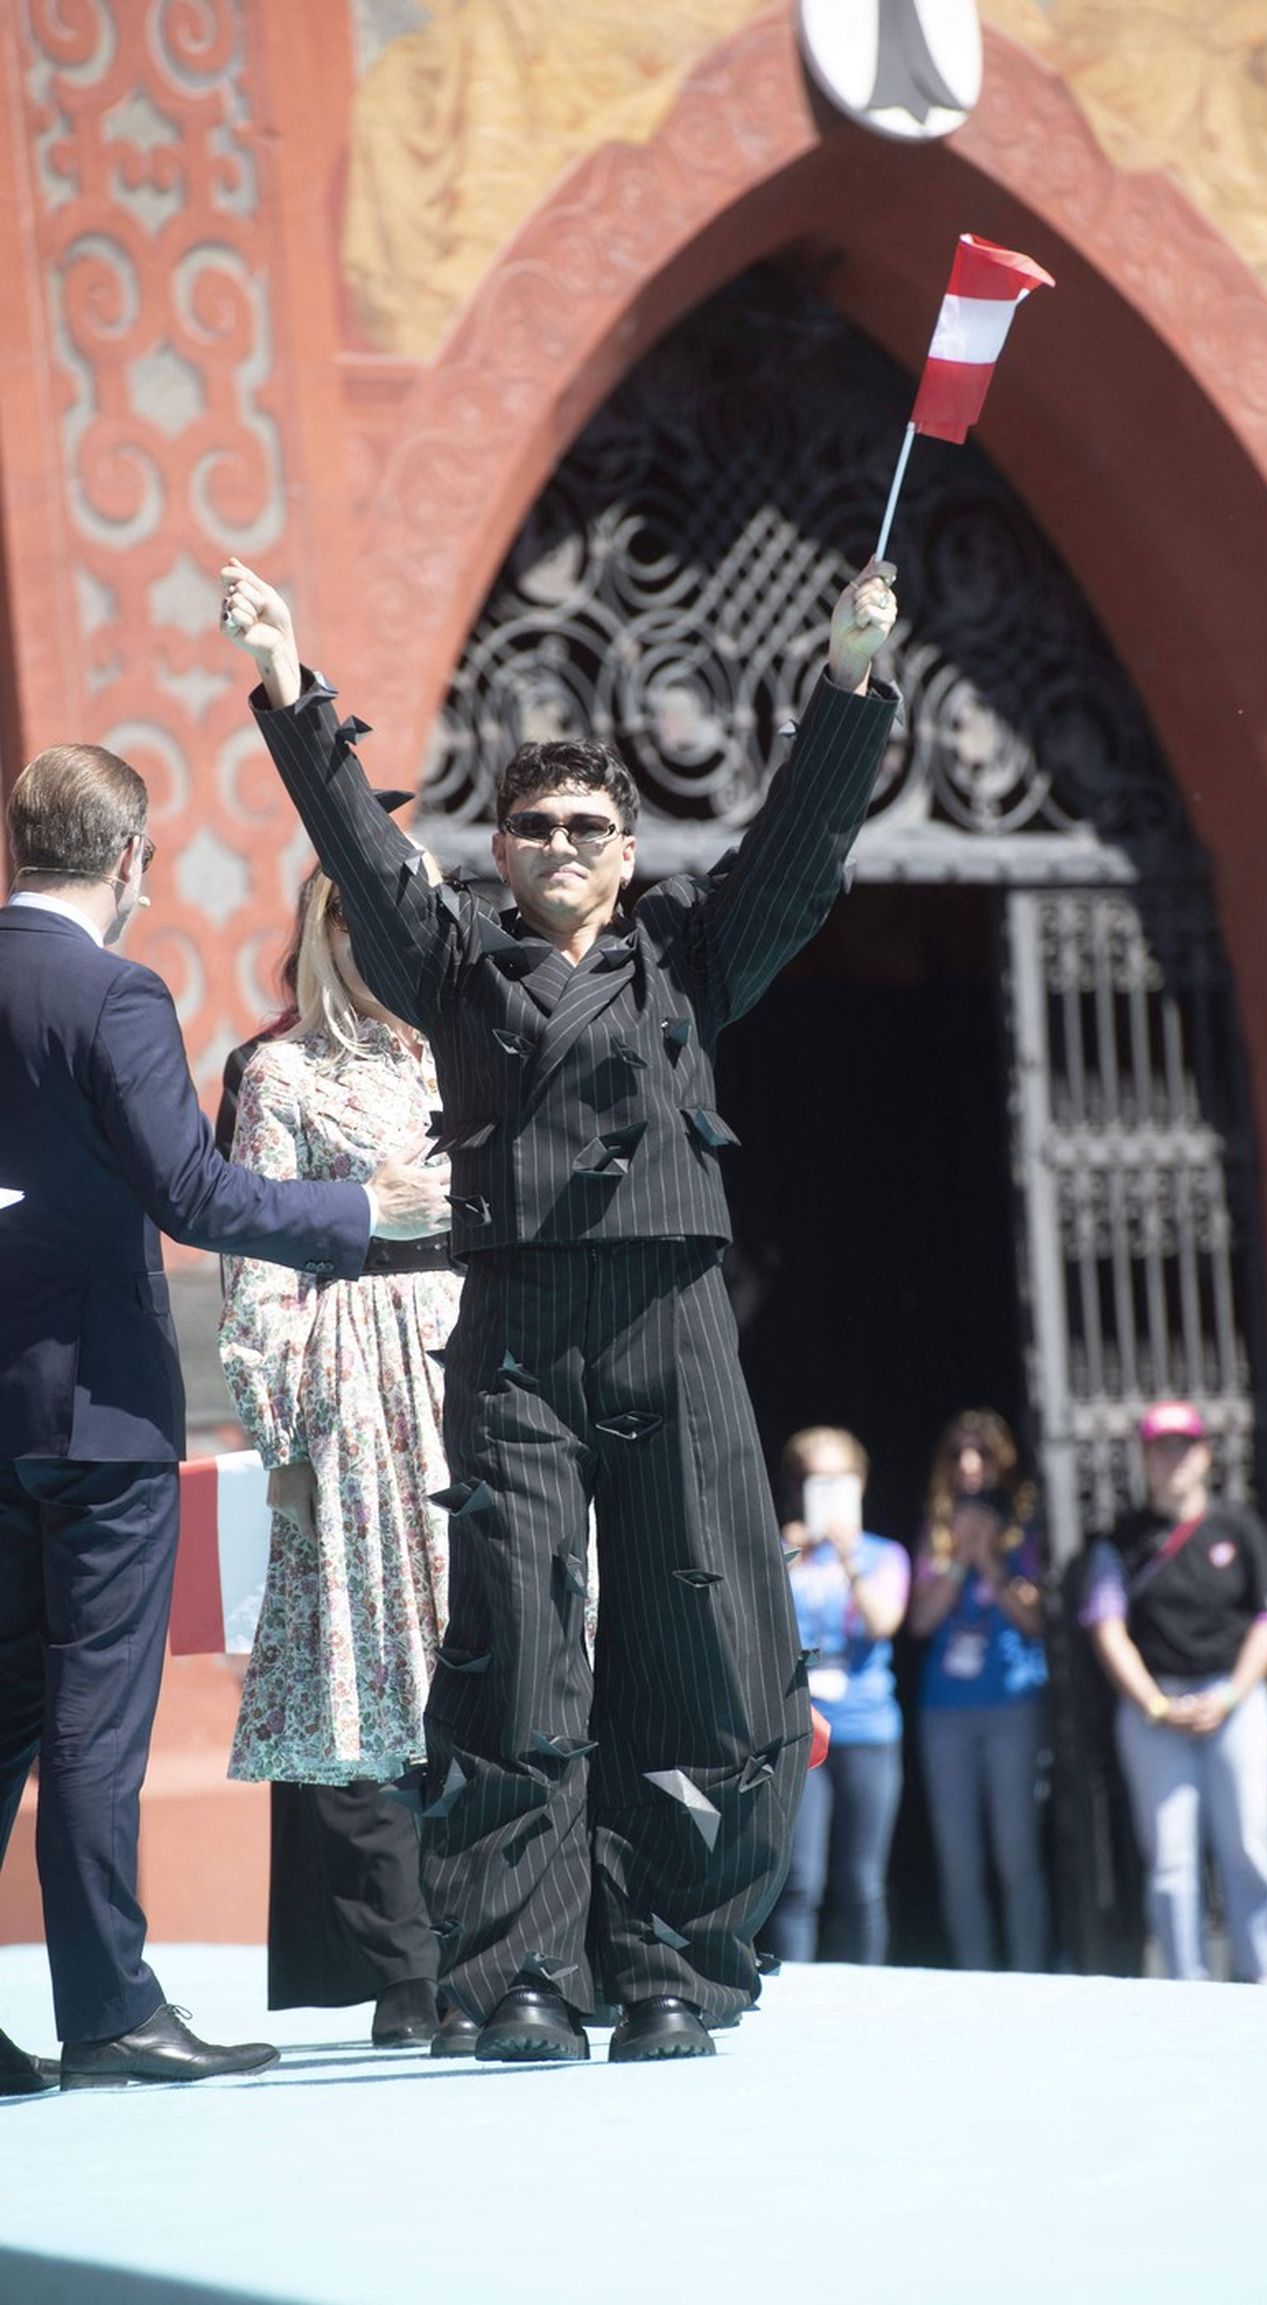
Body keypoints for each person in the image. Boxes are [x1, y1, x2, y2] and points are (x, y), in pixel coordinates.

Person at [219, 548, 899, 2064]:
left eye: (590, 826)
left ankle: (670, 1964)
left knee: (694, 1637)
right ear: (503, 848)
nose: (563, 844)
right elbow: (361, 850)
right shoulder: (456, 964)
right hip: (517, 1330)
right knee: (514, 1642)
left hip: (671, 1317)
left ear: (629, 848)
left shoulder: (689, 955)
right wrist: (286, 675)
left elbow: (797, 850)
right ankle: (520, 1967)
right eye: (536, 826)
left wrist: (849, 681)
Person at [0, 742, 448, 2093]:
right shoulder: (116, 992)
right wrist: (364, 1211)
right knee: (93, 1722)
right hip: (102, 1412)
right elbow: (193, 1193)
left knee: (7, 1711)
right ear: (129, 856)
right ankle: (110, 2013)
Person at [219, 862, 463, 2051]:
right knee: (357, 1666)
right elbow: (254, 1256)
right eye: (374, 910)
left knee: (489, 1655)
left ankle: (499, 1936)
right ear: (331, 925)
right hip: (352, 1371)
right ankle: (406, 1963)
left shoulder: (463, 1049)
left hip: (472, 1361)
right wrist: (280, 1433)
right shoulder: (282, 1072)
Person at [1081, 1400, 1267, 1983]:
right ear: (1144, 1459)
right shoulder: (1119, 1542)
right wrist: (1154, 1704)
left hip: (1234, 1701)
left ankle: (1264, 1978)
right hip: (1156, 1709)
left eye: (1183, 1447)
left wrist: (1230, 1696)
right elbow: (1107, 1628)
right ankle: (1185, 1985)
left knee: (1249, 1842)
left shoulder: (1241, 1528)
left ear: (1204, 1455)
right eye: (1160, 1449)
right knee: (1171, 1859)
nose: (1172, 1460)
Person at [909, 1411, 1052, 1971]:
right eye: (958, 1454)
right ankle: (975, 1976)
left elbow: (1036, 1620)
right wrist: (958, 1561)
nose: (970, 1464)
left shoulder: (1026, 1527)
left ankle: (1030, 1975)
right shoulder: (935, 1531)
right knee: (959, 1861)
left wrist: (990, 1559)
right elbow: (921, 1622)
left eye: (983, 1453)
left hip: (1012, 1705)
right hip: (945, 1711)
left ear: (1003, 1461)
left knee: (1017, 1854)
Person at [762, 1427, 909, 1966]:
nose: (825, 1492)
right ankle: (799, 1985)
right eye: (814, 1481)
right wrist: (783, 1557)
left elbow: (883, 1622)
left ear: (860, 1485)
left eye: (838, 1481)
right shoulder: (779, 1552)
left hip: (869, 1729)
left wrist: (848, 1558)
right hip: (802, 1731)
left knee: (863, 1881)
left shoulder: (883, 1555)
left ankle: (865, 1988)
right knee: (800, 1879)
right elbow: (752, 1627)